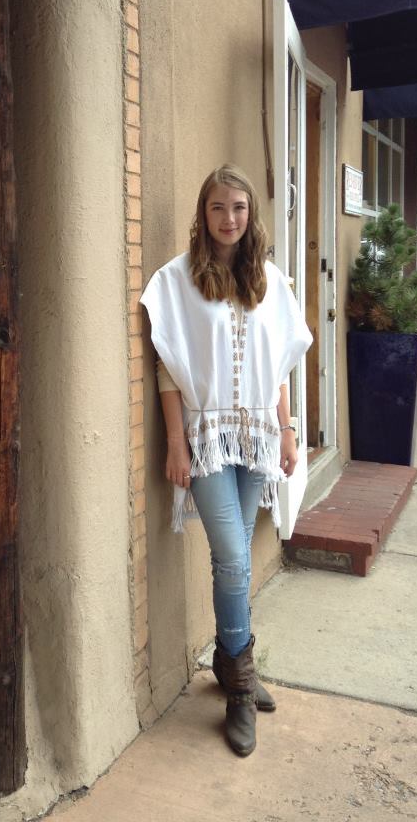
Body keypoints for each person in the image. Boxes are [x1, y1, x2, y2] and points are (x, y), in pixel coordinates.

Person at [140, 163, 312, 758]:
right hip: (208, 438)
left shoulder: (270, 280)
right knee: (235, 559)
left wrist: (286, 430)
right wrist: (175, 442)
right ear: (203, 212)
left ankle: (230, 660)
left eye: (239, 207)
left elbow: (278, 364)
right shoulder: (179, 279)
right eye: (218, 207)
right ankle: (239, 688)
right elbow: (168, 365)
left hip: (258, 436)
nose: (229, 218)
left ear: (251, 214)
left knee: (232, 558)